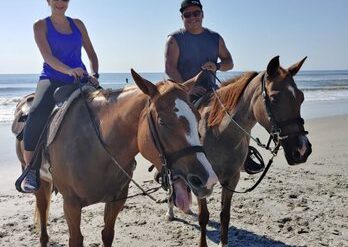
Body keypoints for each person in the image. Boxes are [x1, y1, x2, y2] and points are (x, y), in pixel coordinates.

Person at [165, 0, 264, 174]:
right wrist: (186, 89)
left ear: (202, 14)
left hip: (212, 91)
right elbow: (170, 68)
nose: (192, 17)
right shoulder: (174, 39)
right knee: (176, 124)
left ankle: (245, 155)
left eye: (196, 13)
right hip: (183, 92)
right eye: (187, 14)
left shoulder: (215, 38)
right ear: (182, 17)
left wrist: (217, 66)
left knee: (239, 112)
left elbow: (229, 62)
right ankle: (168, 165)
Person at [20, 0, 99, 193]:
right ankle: (30, 171)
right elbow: (48, 57)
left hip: (80, 79)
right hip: (52, 78)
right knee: (37, 113)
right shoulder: (40, 25)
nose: (60, 2)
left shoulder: (78, 24)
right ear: (48, 1)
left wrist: (95, 75)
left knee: (108, 109)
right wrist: (69, 70)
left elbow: (91, 54)